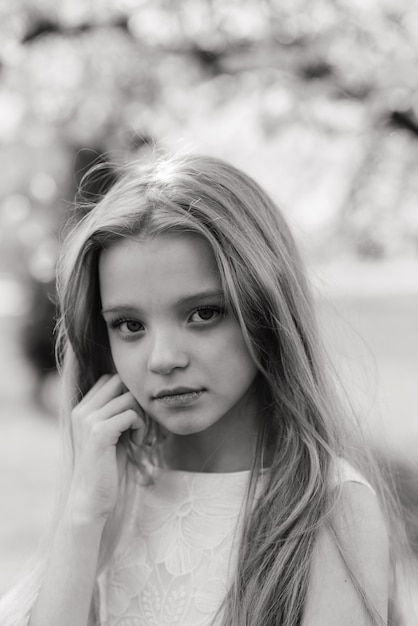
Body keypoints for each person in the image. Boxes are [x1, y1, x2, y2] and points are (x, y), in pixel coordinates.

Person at [0, 153, 413, 626]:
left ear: (267, 311)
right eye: (129, 324)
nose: (163, 358)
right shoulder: (107, 493)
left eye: (203, 313)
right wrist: (81, 517)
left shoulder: (330, 511)